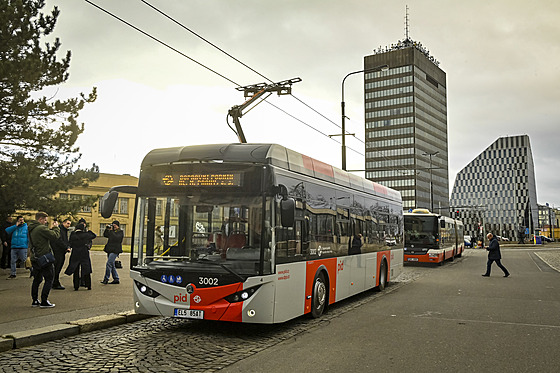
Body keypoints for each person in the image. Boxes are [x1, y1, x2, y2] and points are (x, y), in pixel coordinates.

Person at [28, 212, 60, 308]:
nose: (46, 222)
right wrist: (56, 227)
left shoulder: (31, 229)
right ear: (40, 219)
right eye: (45, 220)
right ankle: (44, 301)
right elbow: (54, 236)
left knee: (37, 279)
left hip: (35, 257)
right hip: (44, 257)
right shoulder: (41, 228)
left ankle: (35, 300)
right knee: (49, 278)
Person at [65, 223, 95, 290]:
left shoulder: (73, 235)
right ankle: (88, 285)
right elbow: (94, 235)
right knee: (86, 268)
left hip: (75, 252)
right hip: (84, 252)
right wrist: (88, 231)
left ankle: (76, 285)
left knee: (76, 269)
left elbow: (70, 243)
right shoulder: (86, 235)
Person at [51, 218, 71, 290]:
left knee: (58, 268)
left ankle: (54, 282)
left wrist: (68, 246)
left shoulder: (64, 230)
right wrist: (66, 247)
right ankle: (55, 283)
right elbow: (59, 240)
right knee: (57, 267)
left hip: (61, 251)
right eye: (68, 223)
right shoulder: (60, 230)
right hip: (58, 251)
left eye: (69, 224)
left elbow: (65, 240)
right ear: (63, 223)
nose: (69, 225)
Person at [101, 220, 123, 285]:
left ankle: (106, 279)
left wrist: (111, 231)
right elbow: (105, 235)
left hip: (115, 250)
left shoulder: (120, 232)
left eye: (115, 225)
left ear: (118, 226)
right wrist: (107, 229)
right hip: (109, 249)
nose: (114, 227)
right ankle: (116, 278)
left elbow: (116, 238)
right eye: (113, 225)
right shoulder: (111, 232)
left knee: (109, 263)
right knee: (112, 265)